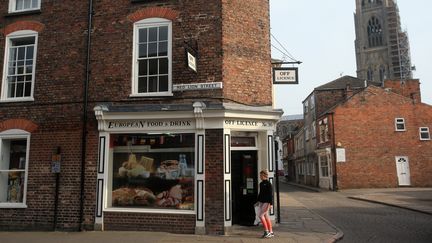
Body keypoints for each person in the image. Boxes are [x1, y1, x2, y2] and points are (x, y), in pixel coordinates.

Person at [256, 169, 274, 238]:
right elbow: (260, 193)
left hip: (267, 202)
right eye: (260, 175)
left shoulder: (269, 184)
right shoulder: (261, 184)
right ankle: (271, 232)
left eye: (261, 175)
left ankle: (266, 231)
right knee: (266, 216)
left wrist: (271, 204)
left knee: (261, 215)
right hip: (262, 202)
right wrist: (258, 201)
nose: (260, 177)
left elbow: (270, 195)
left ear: (264, 175)